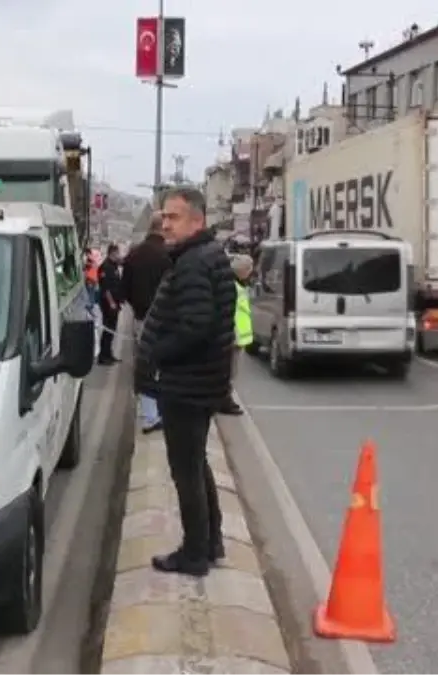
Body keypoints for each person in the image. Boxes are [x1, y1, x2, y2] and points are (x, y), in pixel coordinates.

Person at [136, 187, 235, 577]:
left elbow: (196, 327)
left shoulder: (194, 262)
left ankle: (194, 553)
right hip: (200, 384)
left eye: (174, 217)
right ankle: (210, 542)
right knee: (197, 464)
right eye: (164, 217)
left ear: (198, 221)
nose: (165, 224)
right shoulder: (203, 256)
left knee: (186, 471)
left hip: (188, 385)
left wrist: (157, 352)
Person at [120, 215, 172, 434]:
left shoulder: (134, 255)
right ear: (162, 229)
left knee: (145, 365)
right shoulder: (170, 255)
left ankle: (150, 414)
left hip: (142, 318)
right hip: (168, 319)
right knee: (166, 366)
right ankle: (161, 412)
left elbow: (124, 291)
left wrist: (140, 308)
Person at [220, 254, 254, 415]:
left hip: (238, 337)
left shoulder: (240, 285)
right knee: (229, 371)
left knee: (231, 371)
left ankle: (225, 398)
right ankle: (225, 400)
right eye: (248, 270)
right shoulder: (233, 286)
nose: (250, 273)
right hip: (233, 336)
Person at [97, 244, 123, 365]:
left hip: (115, 303)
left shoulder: (113, 266)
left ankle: (109, 353)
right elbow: (105, 288)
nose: (119, 255)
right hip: (108, 304)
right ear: (112, 253)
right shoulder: (105, 267)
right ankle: (103, 356)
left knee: (112, 330)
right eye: (118, 253)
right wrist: (111, 302)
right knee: (108, 330)